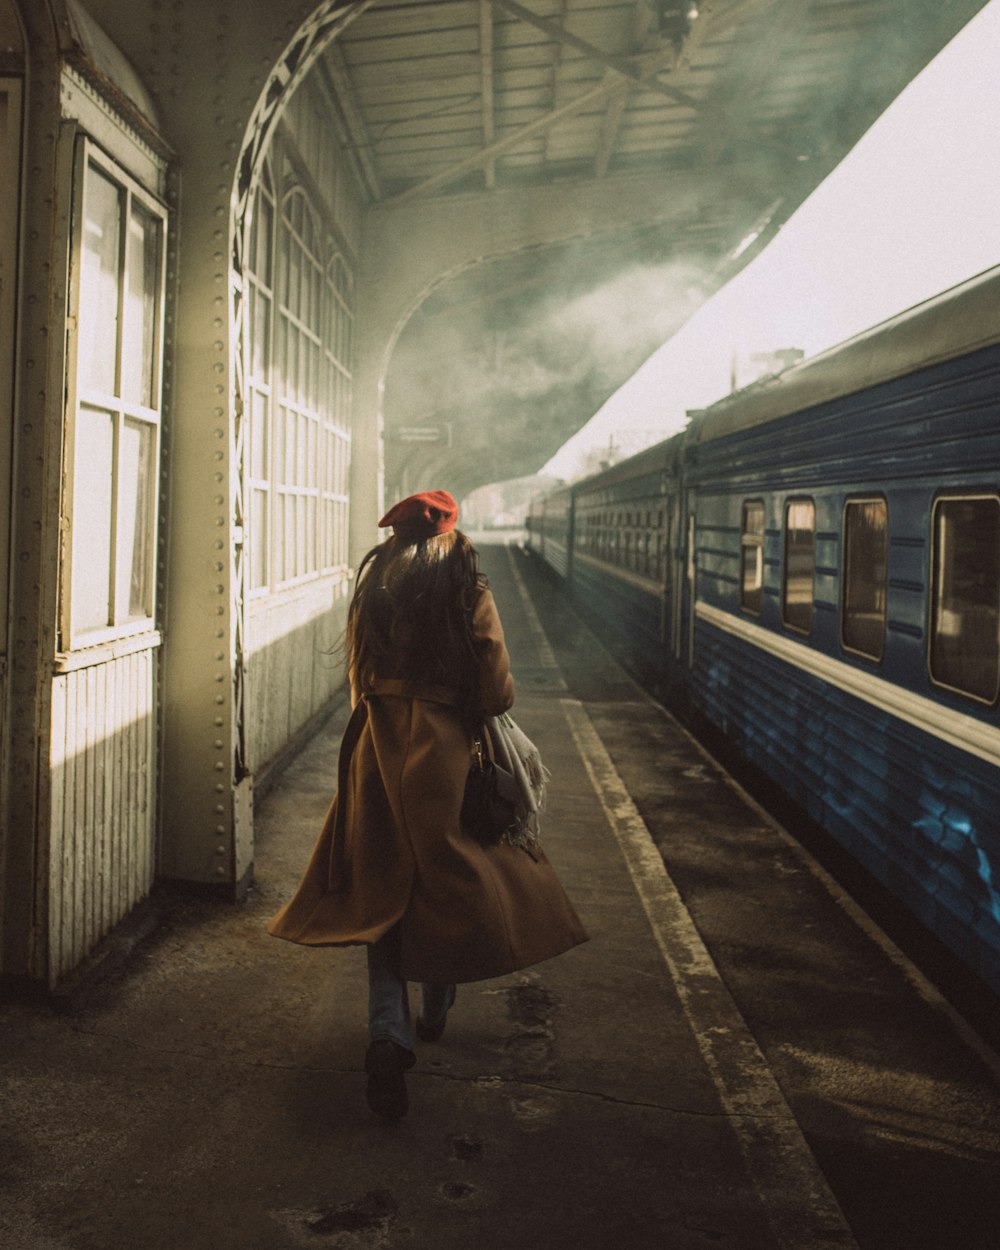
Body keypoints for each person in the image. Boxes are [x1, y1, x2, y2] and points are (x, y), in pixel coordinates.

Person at [267, 489, 588, 1119]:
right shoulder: (466, 586)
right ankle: (436, 1006)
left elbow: (358, 677)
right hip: (445, 756)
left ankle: (388, 1034)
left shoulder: (377, 581)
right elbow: (495, 692)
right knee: (448, 885)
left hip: (377, 752)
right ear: (448, 534)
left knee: (379, 891)